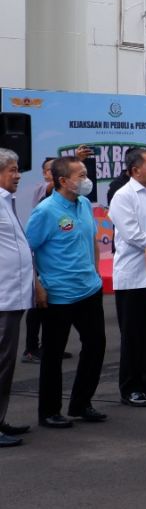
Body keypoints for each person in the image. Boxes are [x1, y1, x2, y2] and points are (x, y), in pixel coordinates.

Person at [26, 156, 107, 428]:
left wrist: (95, 272)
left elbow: (93, 241)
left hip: (89, 290)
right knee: (52, 355)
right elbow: (28, 250)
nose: (86, 180)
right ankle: (49, 411)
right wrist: (38, 286)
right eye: (81, 175)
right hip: (58, 294)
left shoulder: (84, 204)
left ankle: (82, 403)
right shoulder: (45, 211)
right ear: (63, 181)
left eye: (86, 174)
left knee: (96, 347)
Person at [108, 147, 146, 408]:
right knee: (134, 336)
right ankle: (130, 387)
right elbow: (133, 236)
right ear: (135, 170)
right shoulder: (123, 196)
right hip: (134, 277)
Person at [0, 149, 35, 447]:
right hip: (2, 296)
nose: (18, 174)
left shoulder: (6, 202)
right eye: (12, 169)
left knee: (6, 363)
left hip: (13, 296)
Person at [21, 157, 56, 365]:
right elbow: (54, 187)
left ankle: (46, 346)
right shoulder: (41, 190)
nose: (54, 174)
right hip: (38, 258)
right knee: (36, 305)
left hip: (50, 259)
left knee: (48, 307)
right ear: (44, 174)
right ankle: (30, 349)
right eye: (51, 170)